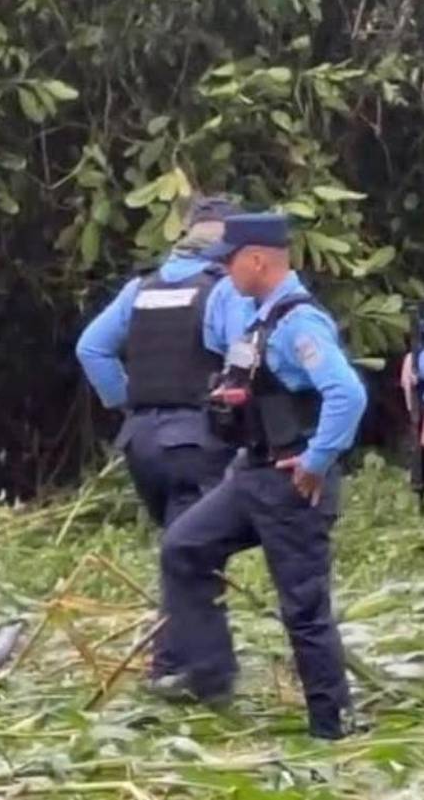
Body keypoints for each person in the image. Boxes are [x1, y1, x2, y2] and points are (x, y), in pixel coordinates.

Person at [159, 213, 367, 739]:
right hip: (249, 474)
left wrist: (317, 461)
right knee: (184, 547)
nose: (224, 271)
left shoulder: (299, 322)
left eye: (229, 260)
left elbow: (348, 394)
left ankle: (331, 726)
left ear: (257, 259)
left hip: (292, 482)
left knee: (303, 607)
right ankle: (210, 673)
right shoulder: (257, 314)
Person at [76, 196, 252, 682]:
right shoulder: (225, 291)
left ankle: (171, 663)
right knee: (196, 555)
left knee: (180, 550)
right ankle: (202, 675)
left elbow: (91, 347)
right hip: (196, 439)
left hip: (142, 442)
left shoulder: (142, 288)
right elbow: (244, 361)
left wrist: (125, 401)